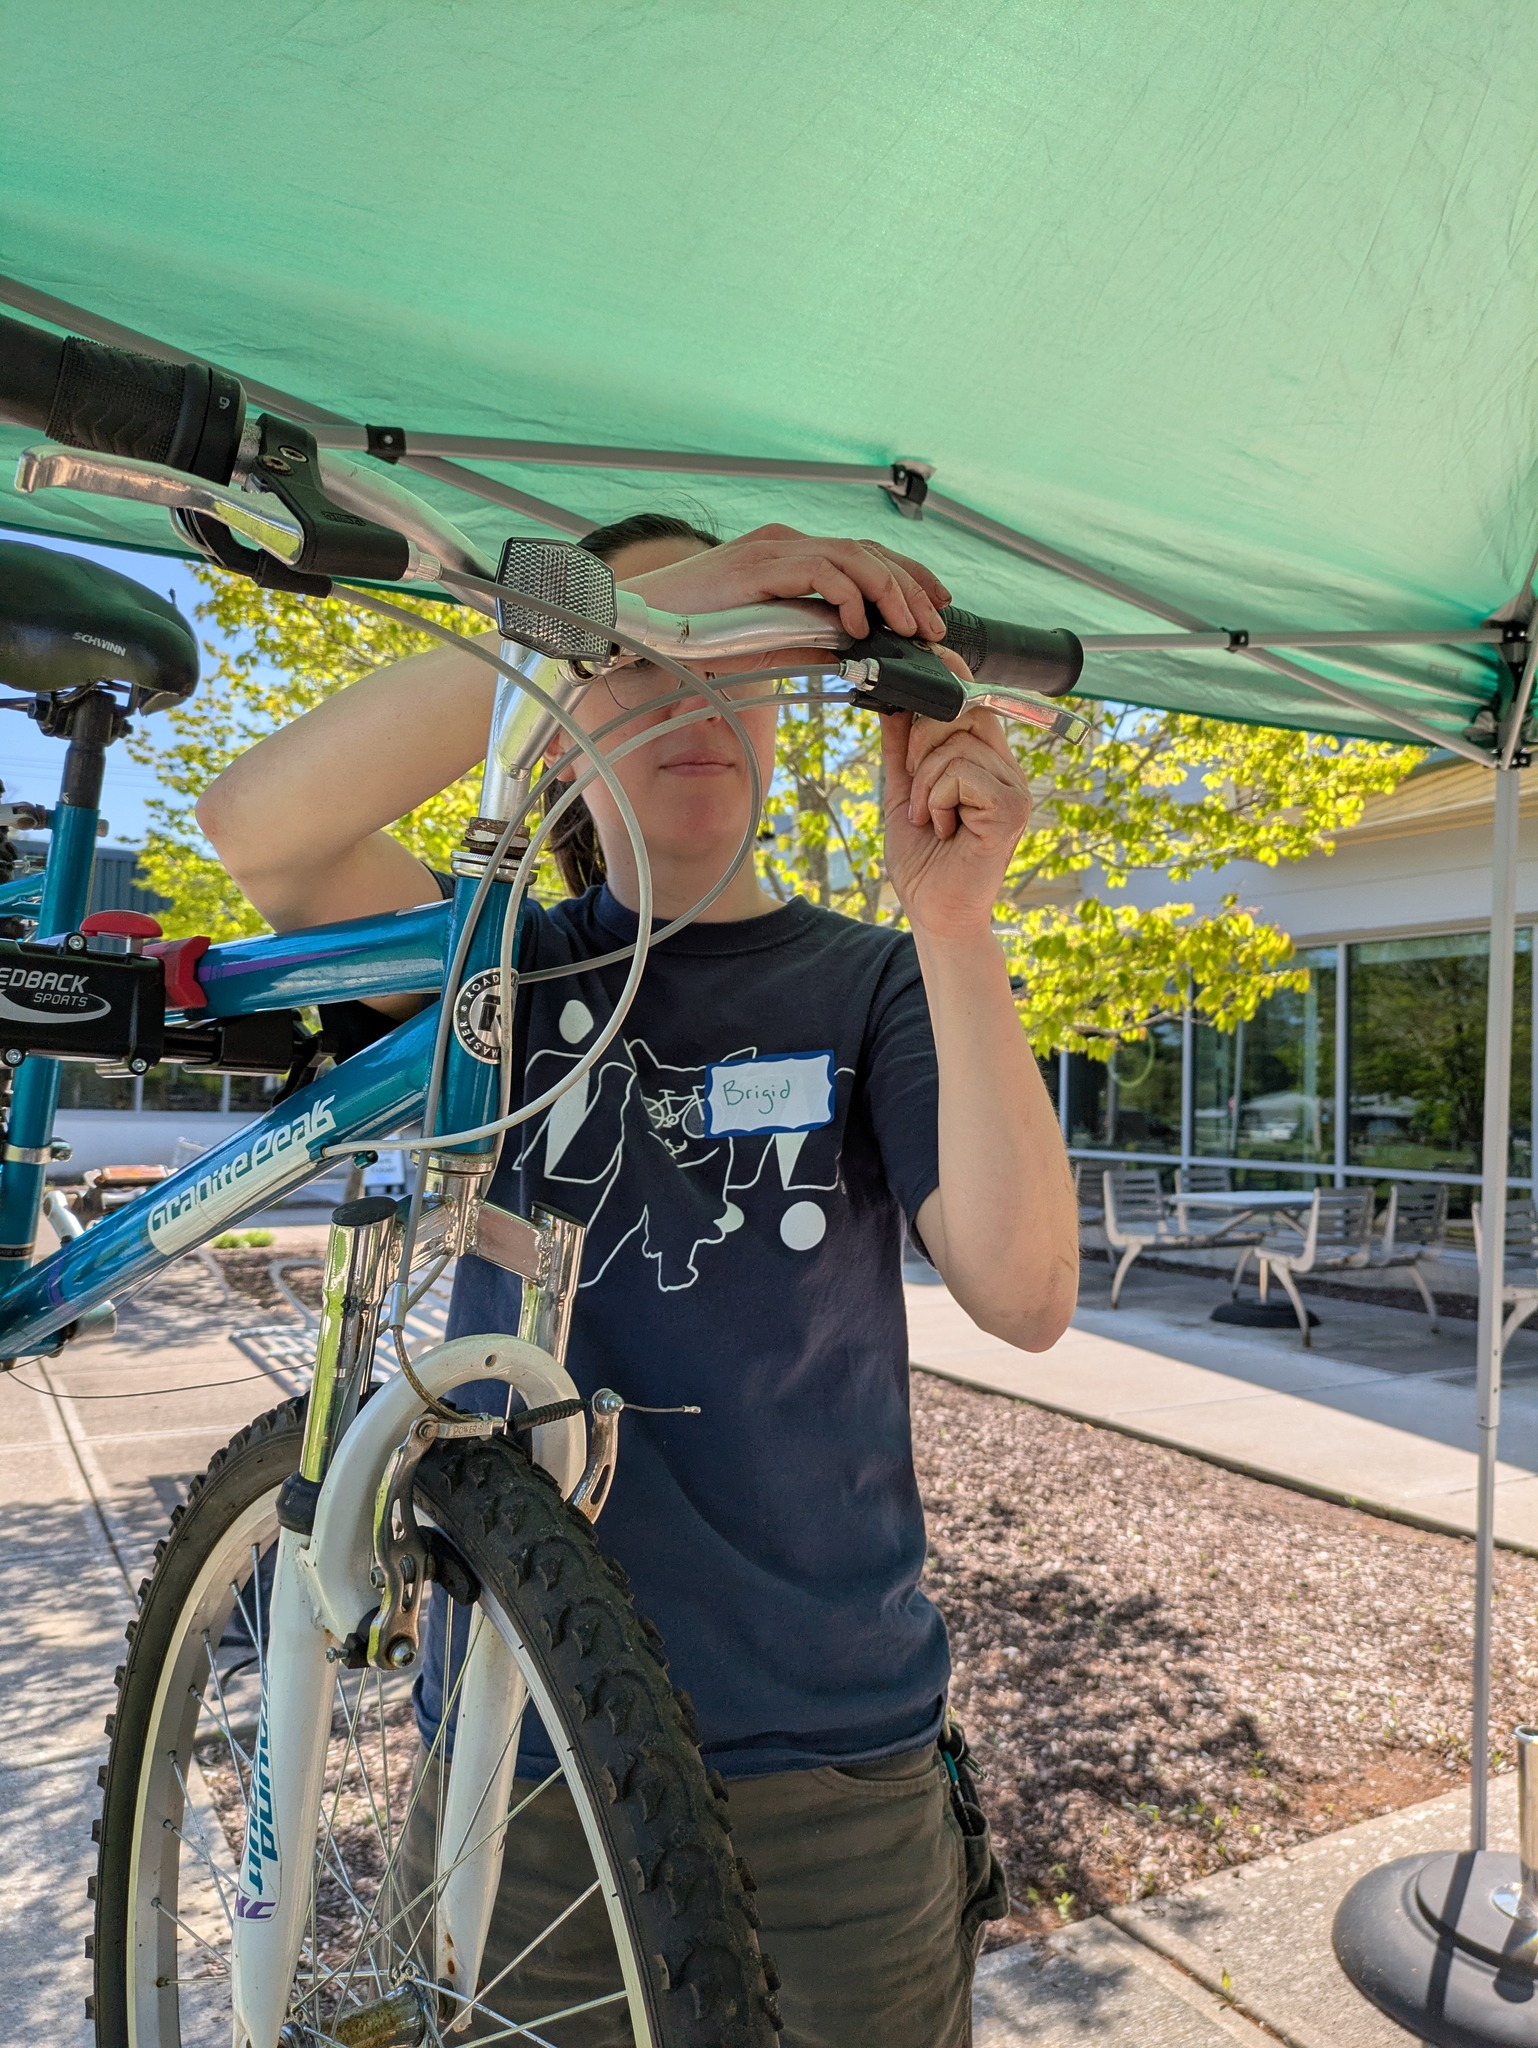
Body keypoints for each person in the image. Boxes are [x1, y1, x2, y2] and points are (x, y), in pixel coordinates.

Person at [198, 517, 1079, 2047]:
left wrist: (954, 917)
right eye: (634, 660)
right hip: (523, 1753)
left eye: (740, 660)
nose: (692, 690)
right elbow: (260, 829)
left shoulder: (874, 980)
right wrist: (626, 606)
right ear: (543, 734)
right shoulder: (499, 969)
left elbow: (1022, 1290)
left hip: (836, 1775)